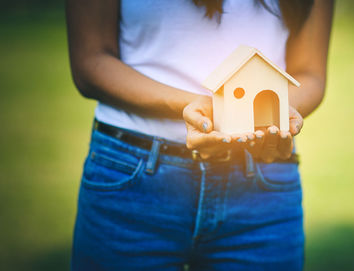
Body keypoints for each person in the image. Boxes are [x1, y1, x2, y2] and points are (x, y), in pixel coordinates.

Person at [66, 0, 333, 270]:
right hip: (131, 185)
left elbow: (310, 73)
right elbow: (90, 61)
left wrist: (277, 119)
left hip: (264, 188)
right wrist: (201, 108)